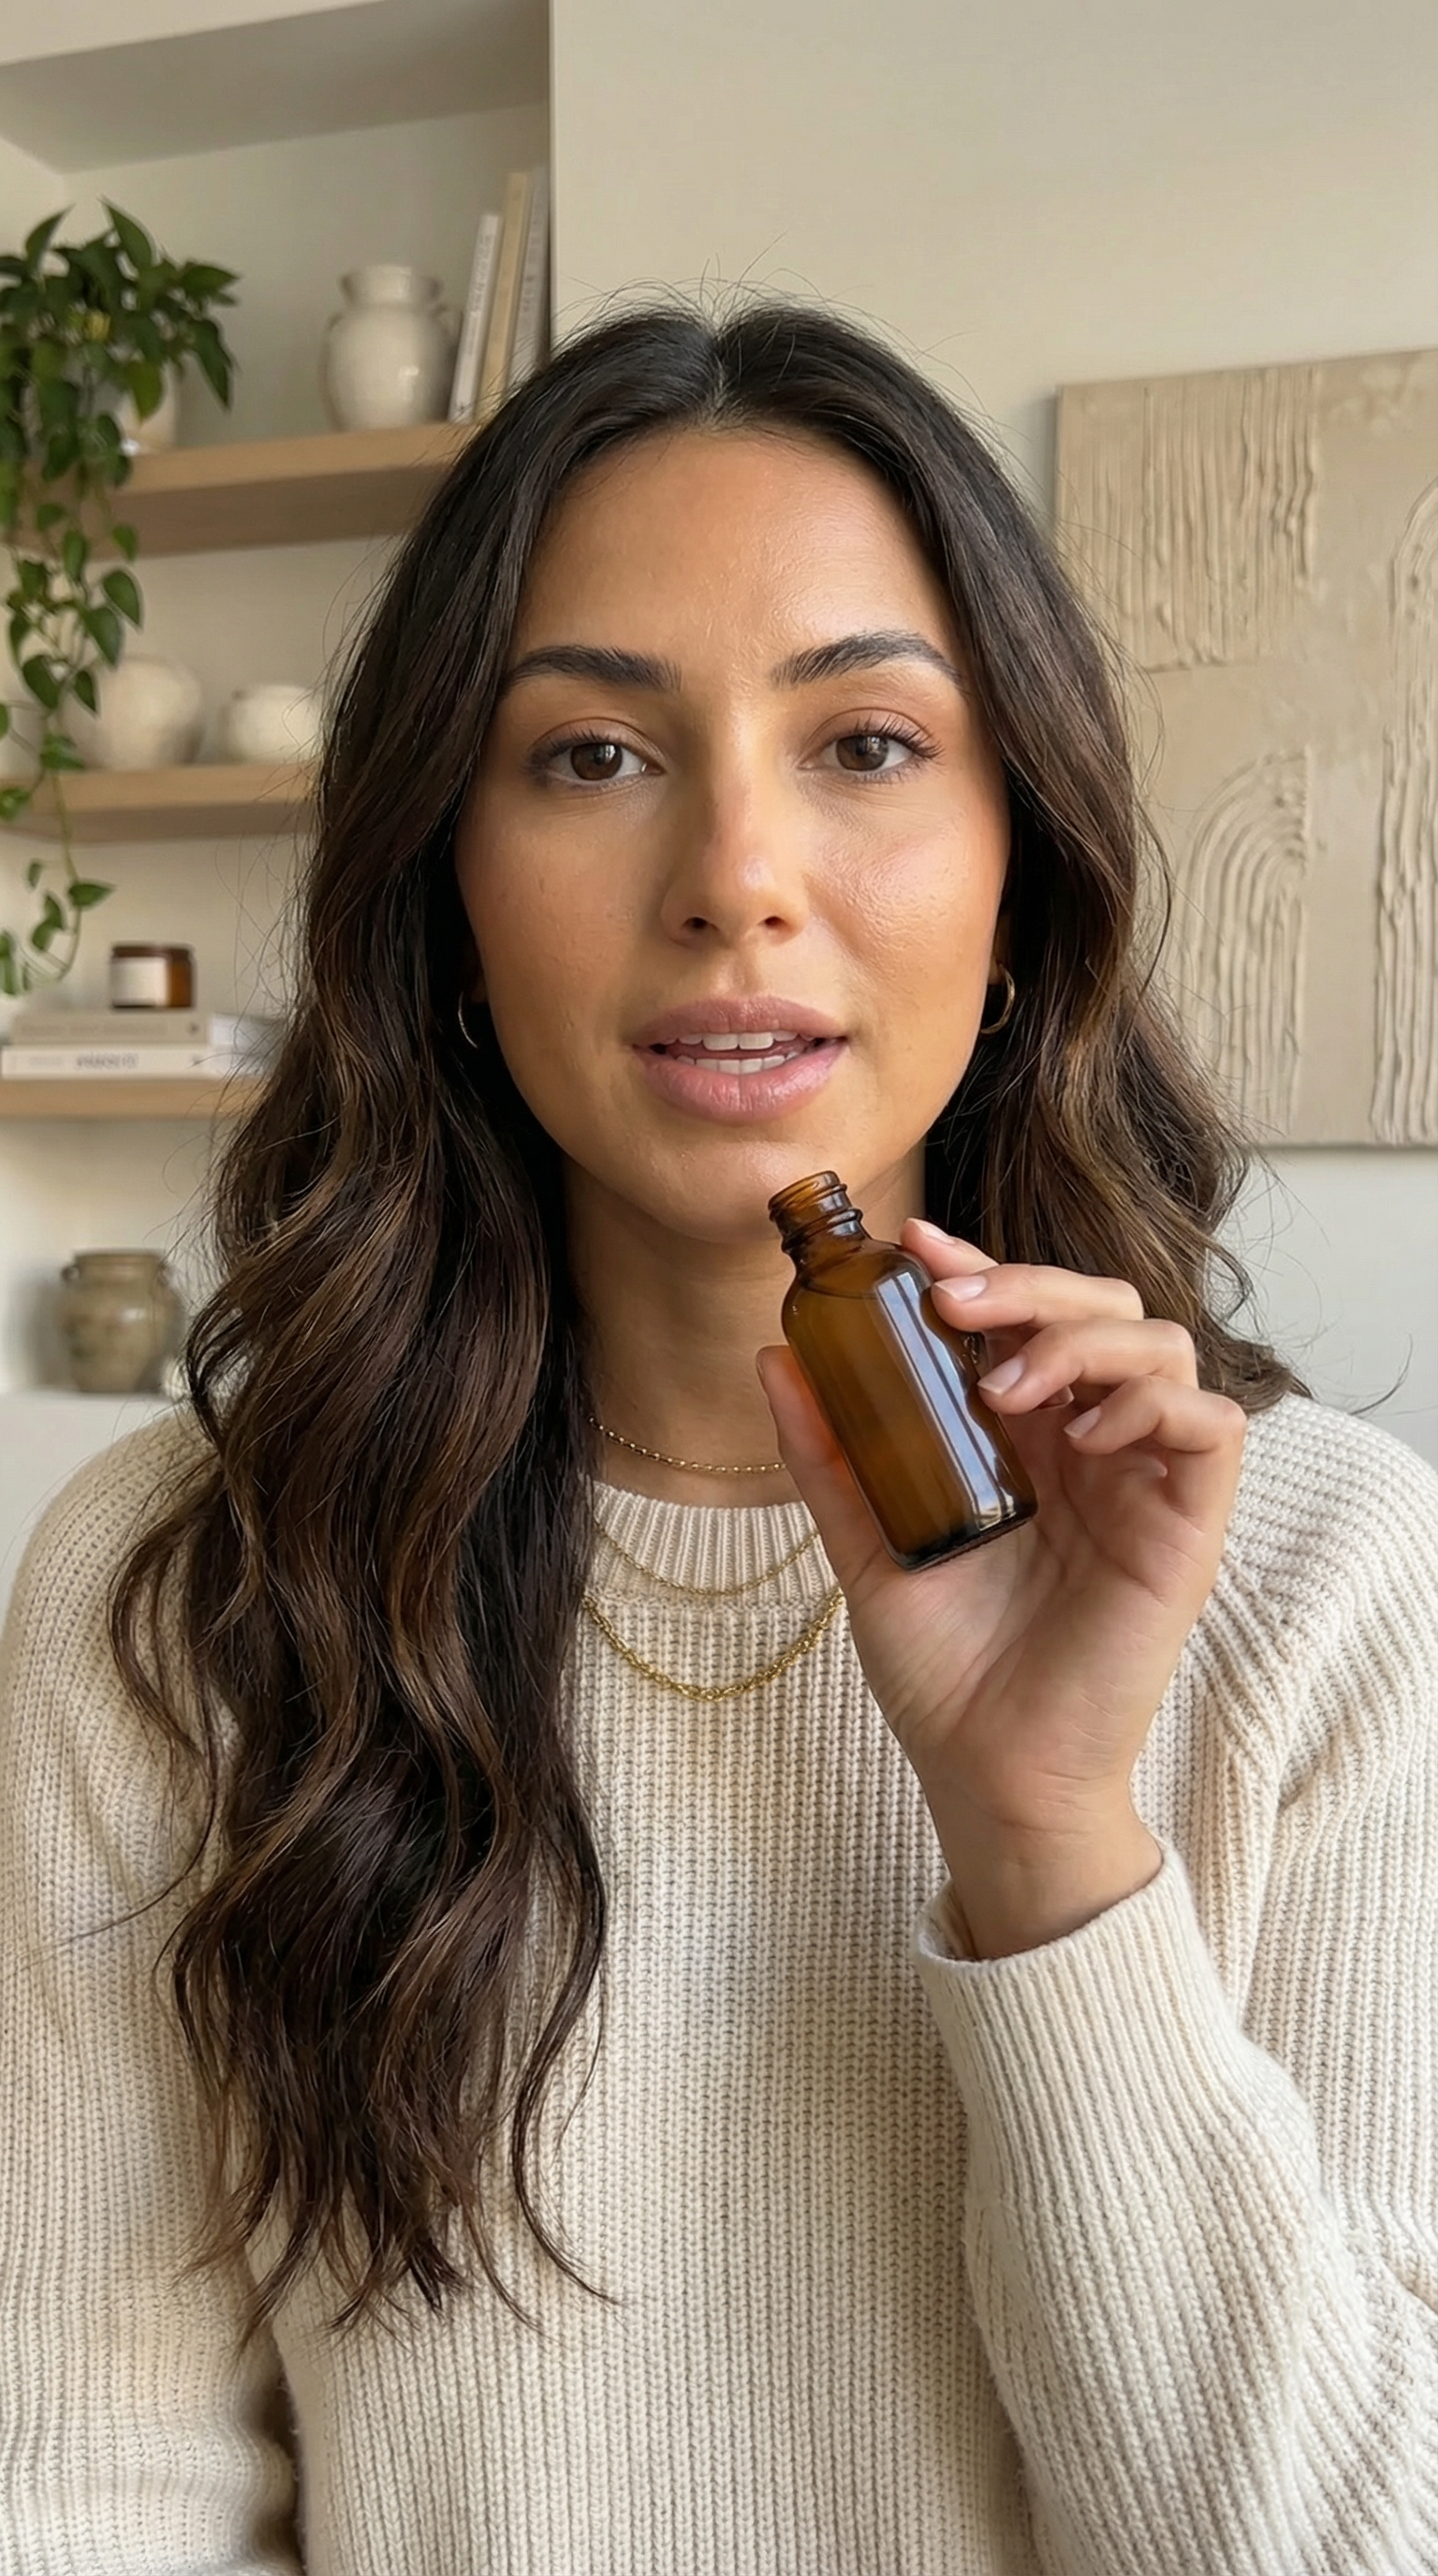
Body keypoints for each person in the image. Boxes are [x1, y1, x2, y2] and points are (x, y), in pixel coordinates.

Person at [2, 301, 1436, 2576]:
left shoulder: (1335, 1582)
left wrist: (1050, 1834)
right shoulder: (181, 1588)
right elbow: (88, 2491)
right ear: (447, 891)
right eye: (590, 755)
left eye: (867, 741)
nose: (735, 875)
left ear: (1021, 861)